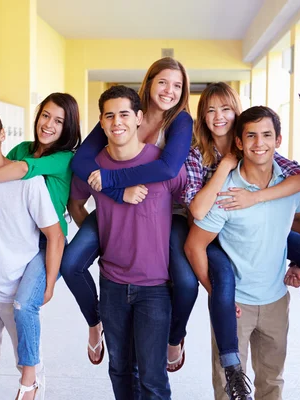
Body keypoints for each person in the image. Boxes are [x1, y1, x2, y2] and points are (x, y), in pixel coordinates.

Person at [184, 83, 300, 399]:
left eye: (266, 136)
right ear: (241, 142)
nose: (259, 143)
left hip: (275, 300)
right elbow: (195, 238)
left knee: (272, 383)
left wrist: (295, 261)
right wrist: (216, 292)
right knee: (231, 389)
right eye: (211, 111)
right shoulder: (220, 185)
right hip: (233, 289)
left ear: (277, 140)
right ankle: (217, 355)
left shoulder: (287, 179)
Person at [64, 57, 194, 371]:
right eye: (162, 82)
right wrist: (116, 192)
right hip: (117, 205)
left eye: (177, 85)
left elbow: (167, 167)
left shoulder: (180, 121)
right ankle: (95, 323)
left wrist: (111, 179)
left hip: (167, 210)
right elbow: (81, 162)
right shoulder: (123, 113)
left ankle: (174, 338)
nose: (169, 91)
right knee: (71, 263)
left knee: (186, 282)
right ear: (149, 82)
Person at [0, 92, 82, 396]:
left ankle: (29, 384)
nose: (48, 124)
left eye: (58, 120)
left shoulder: (46, 167)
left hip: (35, 255)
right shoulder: (18, 153)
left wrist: (47, 284)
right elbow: (2, 173)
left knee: (27, 344)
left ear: (1, 134)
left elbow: (24, 174)